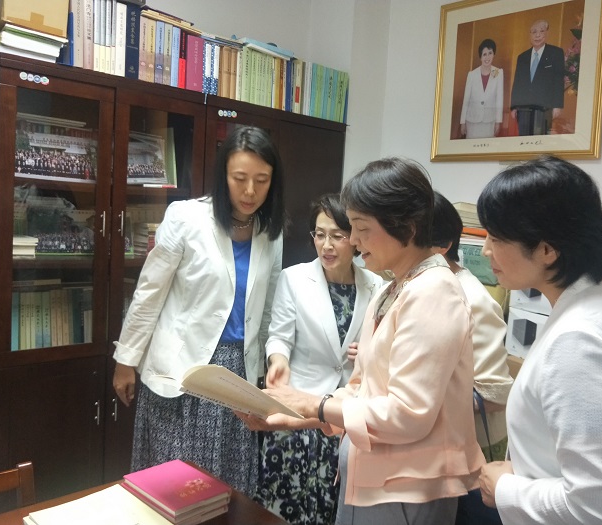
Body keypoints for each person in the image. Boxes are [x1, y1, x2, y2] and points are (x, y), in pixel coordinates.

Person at [241, 157, 485, 525]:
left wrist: (312, 404)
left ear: (407, 226)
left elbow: (407, 414)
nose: (353, 241)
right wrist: (293, 418)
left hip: (407, 487)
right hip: (372, 476)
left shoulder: (434, 292)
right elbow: (361, 389)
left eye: (360, 229)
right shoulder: (393, 289)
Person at [476, 156, 602, 525]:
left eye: (496, 238)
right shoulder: (599, 299)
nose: (486, 250)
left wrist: (504, 488)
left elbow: (599, 508)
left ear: (547, 250)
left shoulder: (580, 340)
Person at [111, 126, 285, 495]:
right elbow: (149, 294)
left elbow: (267, 310)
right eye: (239, 178)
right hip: (183, 370)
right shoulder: (186, 217)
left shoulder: (270, 232)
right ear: (223, 176)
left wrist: (270, 363)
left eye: (261, 180)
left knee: (225, 489)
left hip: (237, 375)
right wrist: (126, 360)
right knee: (173, 486)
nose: (250, 191)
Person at [254, 193, 383, 525]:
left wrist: (366, 350)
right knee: (284, 504)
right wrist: (278, 360)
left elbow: (381, 346)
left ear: (354, 239)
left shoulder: (376, 285)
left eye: (337, 236)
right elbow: (279, 335)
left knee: (331, 506)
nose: (327, 245)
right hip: (298, 408)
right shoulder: (294, 279)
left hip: (341, 415)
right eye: (319, 234)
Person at [431, 191, 511, 525]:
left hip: (471, 454)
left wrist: (418, 390)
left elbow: (493, 394)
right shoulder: (419, 287)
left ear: (441, 245)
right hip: (435, 451)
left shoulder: (474, 299)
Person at [510, 19, 565, 136]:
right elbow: (517, 83)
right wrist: (514, 107)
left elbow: (558, 81)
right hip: (524, 108)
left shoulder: (556, 53)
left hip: (544, 107)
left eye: (541, 31)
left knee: (540, 138)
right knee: (524, 139)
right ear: (530, 34)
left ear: (547, 33)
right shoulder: (522, 57)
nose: (537, 35)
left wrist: (557, 105)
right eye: (534, 32)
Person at [460, 39, 504, 139]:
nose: (487, 57)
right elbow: (466, 100)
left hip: (489, 121)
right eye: (484, 54)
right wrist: (462, 122)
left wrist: (498, 121)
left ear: (494, 54)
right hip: (472, 121)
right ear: (480, 56)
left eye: (490, 53)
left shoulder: (498, 73)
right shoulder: (472, 74)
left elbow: (499, 99)